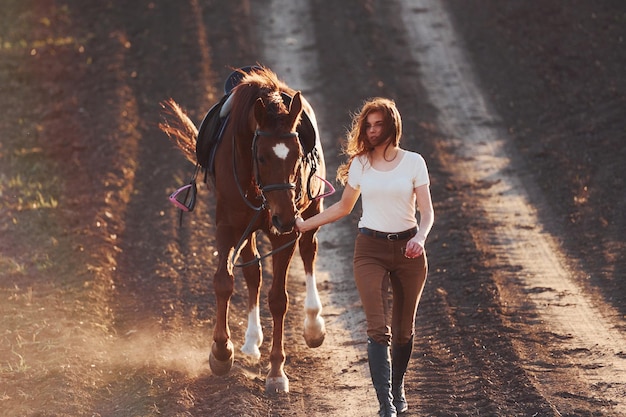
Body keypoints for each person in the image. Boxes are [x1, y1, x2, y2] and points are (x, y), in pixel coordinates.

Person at [295, 97, 434, 417]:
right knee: (377, 329)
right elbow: (343, 207)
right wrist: (305, 224)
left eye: (378, 124)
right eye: (368, 125)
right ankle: (386, 405)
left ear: (392, 126)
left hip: (409, 251)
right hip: (369, 250)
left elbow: (427, 213)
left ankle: (397, 387)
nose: (371, 131)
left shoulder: (414, 162)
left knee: (403, 331)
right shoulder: (360, 164)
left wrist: (420, 237)